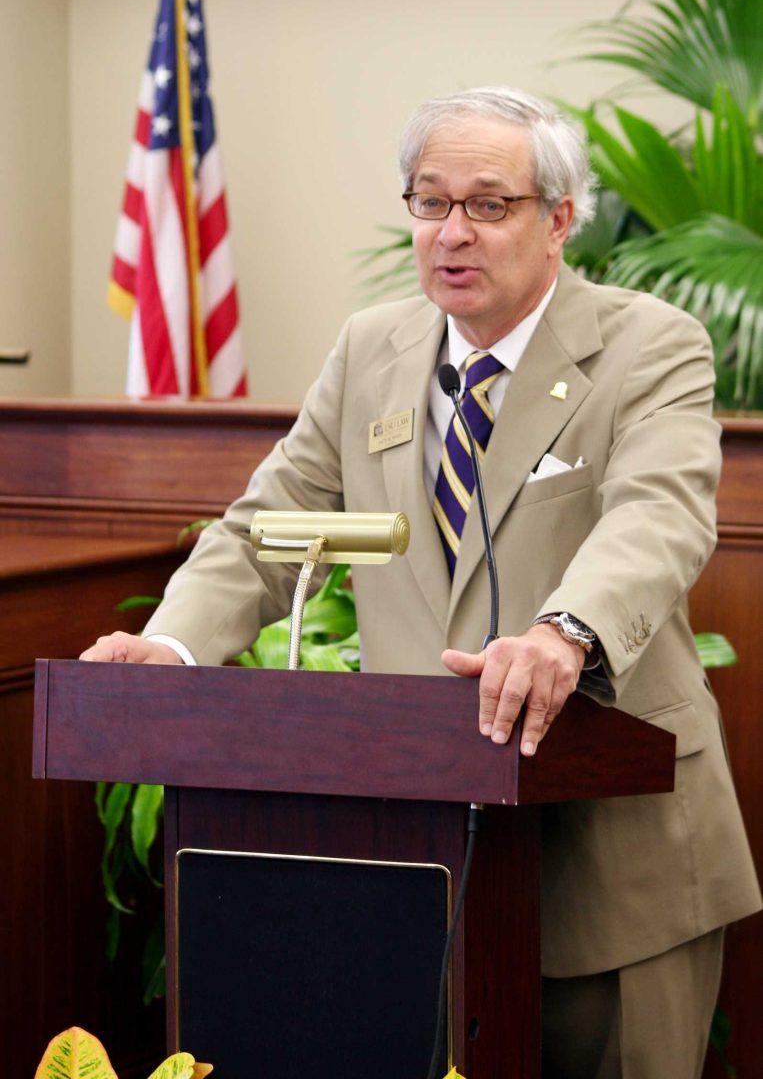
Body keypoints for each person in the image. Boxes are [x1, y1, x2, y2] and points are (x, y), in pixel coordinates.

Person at [82, 87, 760, 1078]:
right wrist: (173, 647)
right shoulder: (372, 348)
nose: (452, 232)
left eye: (488, 205)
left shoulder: (646, 344)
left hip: (615, 860)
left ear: (558, 218)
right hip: (418, 859)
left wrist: (562, 632)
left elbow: (655, 514)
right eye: (428, 202)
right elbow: (269, 527)